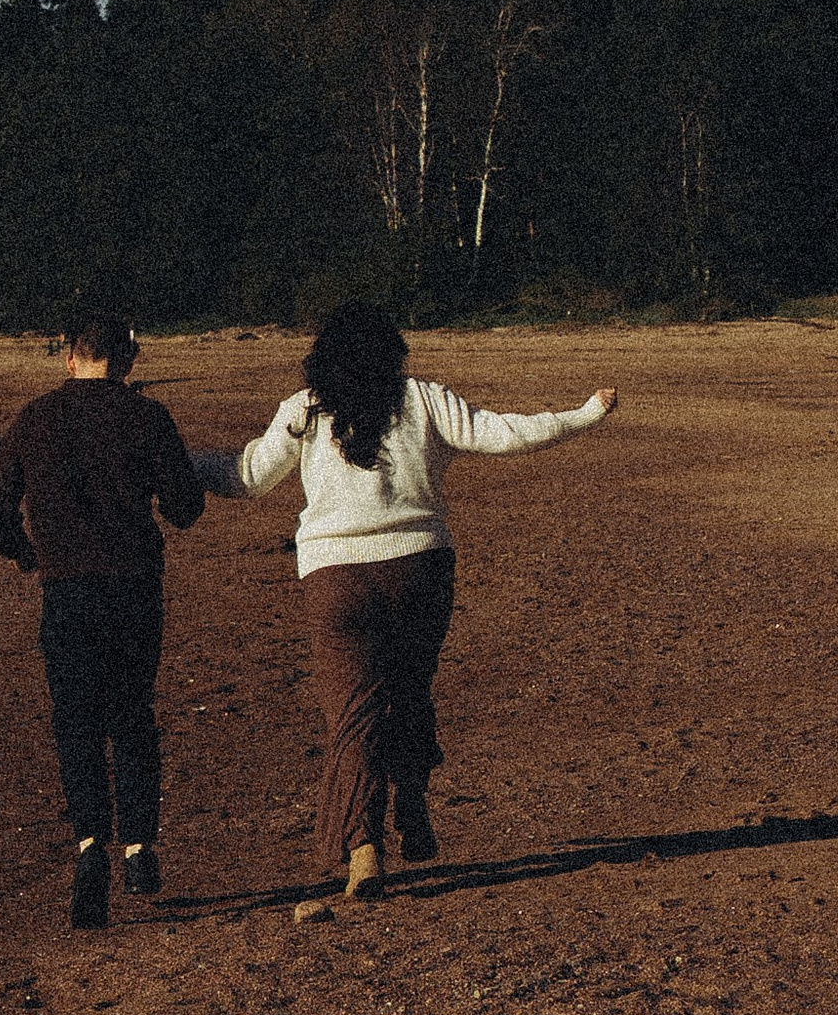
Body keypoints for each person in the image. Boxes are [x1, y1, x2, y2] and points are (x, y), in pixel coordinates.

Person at [223, 302, 616, 900]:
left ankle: (362, 850)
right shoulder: (422, 399)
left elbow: (248, 475)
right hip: (420, 570)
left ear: (321, 357)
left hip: (334, 580)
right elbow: (503, 433)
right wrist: (583, 414)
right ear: (394, 352)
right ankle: (410, 801)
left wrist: (163, 464)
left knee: (353, 713)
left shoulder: (304, 411)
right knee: (409, 689)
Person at [0, 309, 206, 930]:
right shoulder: (146, 416)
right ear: (128, 361)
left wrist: (26, 552)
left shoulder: (37, 418)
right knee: (132, 711)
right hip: (133, 585)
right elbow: (186, 506)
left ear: (71, 357)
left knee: (75, 719)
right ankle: (138, 846)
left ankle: (89, 847)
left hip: (67, 590)